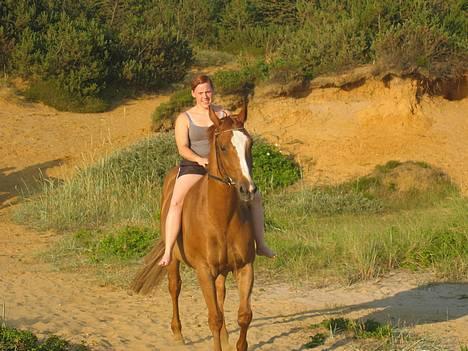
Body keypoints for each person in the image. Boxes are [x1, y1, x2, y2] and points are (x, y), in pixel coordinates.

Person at [158, 74, 275, 266]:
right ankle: (168, 250)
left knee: (256, 197)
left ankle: (261, 244)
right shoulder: (184, 118)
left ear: (213, 92)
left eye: (208, 91)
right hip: (195, 167)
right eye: (201, 92)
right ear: (193, 94)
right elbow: (183, 148)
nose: (205, 96)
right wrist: (200, 159)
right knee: (177, 201)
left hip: (223, 169)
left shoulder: (224, 115)